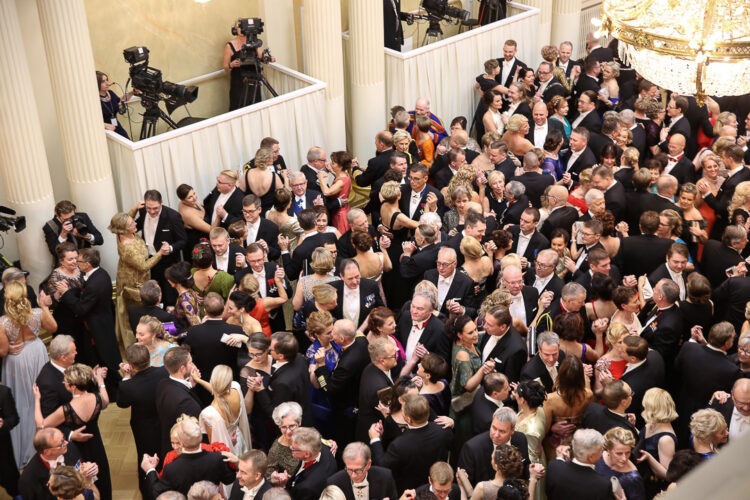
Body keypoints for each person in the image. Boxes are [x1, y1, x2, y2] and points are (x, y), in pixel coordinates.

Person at [34, 363, 111, 499]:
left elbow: (41, 426)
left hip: (77, 448)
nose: (64, 383)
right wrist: (100, 380)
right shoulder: (97, 398)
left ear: (73, 387)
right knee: (101, 475)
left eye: (66, 382)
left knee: (80, 478)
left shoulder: (66, 409)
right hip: (96, 442)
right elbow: (105, 402)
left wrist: (37, 400)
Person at [0, 282, 54, 469]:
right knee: (41, 396)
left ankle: (24, 447)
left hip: (17, 361)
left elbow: (3, 350)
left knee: (21, 400)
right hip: (37, 352)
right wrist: (45, 307)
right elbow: (53, 327)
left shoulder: (2, 322)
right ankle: (46, 442)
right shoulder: (37, 314)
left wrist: (10, 347)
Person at [108, 211, 169, 347]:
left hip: (134, 276)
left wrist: (135, 208)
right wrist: (160, 253)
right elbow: (143, 266)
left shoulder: (124, 233)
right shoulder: (128, 248)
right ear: (122, 229)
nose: (136, 223)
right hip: (133, 282)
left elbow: (123, 218)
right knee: (138, 313)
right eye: (132, 223)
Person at [369, 394, 453, 492]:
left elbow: (383, 465)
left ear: (409, 419)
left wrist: (375, 439)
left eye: (403, 411)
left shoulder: (399, 445)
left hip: (409, 491)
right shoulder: (445, 431)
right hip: (435, 486)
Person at [116, 343, 169, 498]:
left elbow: (122, 403)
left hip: (143, 428)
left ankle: (149, 491)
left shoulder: (128, 386)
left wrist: (126, 377)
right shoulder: (163, 371)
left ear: (131, 365)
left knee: (145, 456)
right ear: (149, 358)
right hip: (163, 420)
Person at [142, 417, 236, 497]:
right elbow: (229, 479)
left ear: (181, 443)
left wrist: (150, 470)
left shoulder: (171, 469)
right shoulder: (217, 459)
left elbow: (157, 493)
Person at [194, 365, 251, 490]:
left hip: (225, 450)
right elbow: (218, 392)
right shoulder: (236, 388)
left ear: (213, 381)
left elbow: (212, 441)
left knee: (230, 484)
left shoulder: (209, 413)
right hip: (239, 439)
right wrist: (198, 380)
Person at [184, 293, 247, 404]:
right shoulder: (236, 330)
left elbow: (188, 353)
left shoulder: (193, 332)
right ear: (223, 310)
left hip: (202, 383)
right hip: (228, 381)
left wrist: (199, 327)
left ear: (206, 312)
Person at [542, 355, 594, 461]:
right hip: (578, 444)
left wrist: (552, 428)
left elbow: (545, 430)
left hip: (556, 446)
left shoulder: (550, 400)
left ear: (561, 374)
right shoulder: (588, 395)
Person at [155, 347, 202, 457]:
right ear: (182, 368)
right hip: (182, 453)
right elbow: (194, 434)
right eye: (190, 362)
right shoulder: (186, 403)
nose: (193, 365)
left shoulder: (162, 384)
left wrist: (191, 385)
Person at [545, 429, 612, 500]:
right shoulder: (602, 485)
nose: (603, 452)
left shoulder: (554, 466)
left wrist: (560, 459)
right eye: (601, 450)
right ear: (591, 457)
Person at [513, 379, 548, 492]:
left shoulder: (531, 430)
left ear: (523, 400)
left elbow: (531, 456)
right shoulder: (538, 408)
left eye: (517, 395)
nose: (515, 395)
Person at [468, 444, 538, 500]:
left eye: (492, 458)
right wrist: (533, 478)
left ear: (496, 466)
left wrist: (462, 488)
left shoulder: (483, 488)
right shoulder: (521, 488)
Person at [594, 427, 645, 500]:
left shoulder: (633, 478)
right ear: (608, 449)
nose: (624, 458)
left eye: (628, 453)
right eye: (619, 453)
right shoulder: (598, 457)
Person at [176, 184, 219, 259]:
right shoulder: (188, 214)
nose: (194, 198)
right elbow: (211, 230)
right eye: (190, 197)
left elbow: (201, 206)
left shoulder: (188, 203)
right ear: (182, 200)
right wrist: (220, 215)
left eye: (194, 193)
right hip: (197, 245)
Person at [317, 151, 353, 233]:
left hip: (340, 215)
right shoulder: (345, 175)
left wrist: (321, 178)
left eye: (333, 163)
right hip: (344, 209)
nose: (330, 164)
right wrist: (332, 171)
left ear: (340, 166)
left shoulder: (341, 182)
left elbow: (326, 192)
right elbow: (339, 176)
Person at [165, 261, 202, 331]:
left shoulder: (185, 301)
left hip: (184, 333)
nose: (168, 280)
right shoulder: (190, 291)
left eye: (170, 279)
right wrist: (174, 311)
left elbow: (196, 327)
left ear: (176, 282)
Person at [97, 70, 133, 138]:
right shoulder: (94, 99)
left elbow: (121, 99)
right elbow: (92, 121)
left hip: (116, 126)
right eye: (103, 82)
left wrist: (132, 92)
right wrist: (105, 125)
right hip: (105, 131)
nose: (107, 83)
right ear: (97, 83)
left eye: (107, 80)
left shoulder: (110, 93)